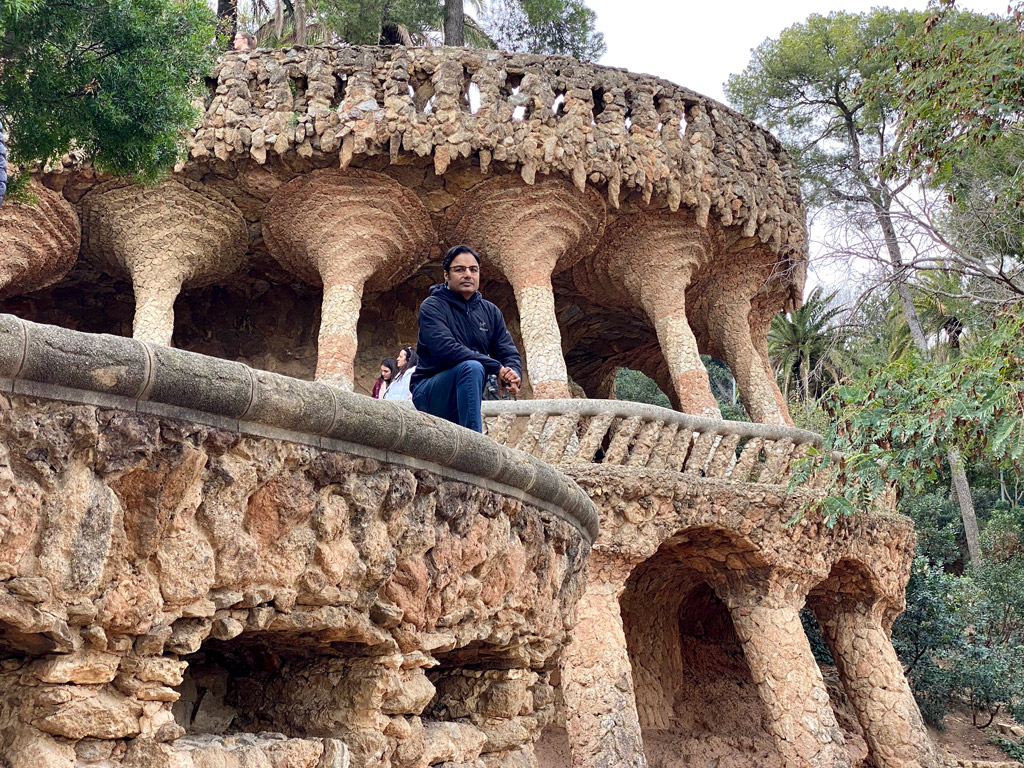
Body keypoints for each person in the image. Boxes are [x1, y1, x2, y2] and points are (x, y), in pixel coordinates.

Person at [411, 245, 522, 432]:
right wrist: (496, 367)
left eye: (473, 270)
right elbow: (446, 350)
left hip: (468, 390)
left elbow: (507, 351)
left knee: (473, 368)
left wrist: (512, 373)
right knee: (472, 367)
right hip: (429, 390)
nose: (468, 275)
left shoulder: (490, 311)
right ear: (446, 275)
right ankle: (475, 448)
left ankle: (469, 444)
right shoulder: (432, 306)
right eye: (459, 269)